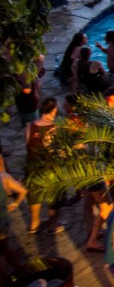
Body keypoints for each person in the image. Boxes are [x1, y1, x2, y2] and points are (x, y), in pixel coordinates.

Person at [25, 97, 62, 234]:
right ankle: (53, 225)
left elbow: (27, 145)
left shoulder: (30, 126)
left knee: (34, 196)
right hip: (48, 169)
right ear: (54, 110)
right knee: (53, 198)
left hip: (32, 168)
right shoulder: (52, 129)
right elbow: (53, 150)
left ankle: (34, 223)